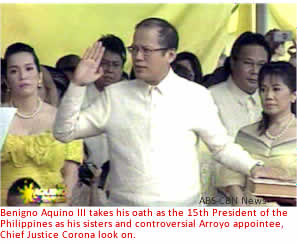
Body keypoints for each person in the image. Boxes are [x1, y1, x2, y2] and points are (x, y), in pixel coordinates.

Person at [54, 18, 279, 206]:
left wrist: (253, 167)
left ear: (170, 55)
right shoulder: (115, 96)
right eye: (135, 49)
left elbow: (221, 147)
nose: (138, 57)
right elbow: (64, 132)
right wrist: (77, 85)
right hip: (125, 212)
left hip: (181, 213)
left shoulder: (195, 95)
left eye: (147, 50)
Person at [1, 42, 83, 206]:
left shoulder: (64, 118)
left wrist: (32, 199)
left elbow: (70, 176)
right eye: (14, 71)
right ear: (6, 80)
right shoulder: (1, 118)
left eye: (29, 68)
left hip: (52, 211)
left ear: (39, 76)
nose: (22, 76)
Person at [217, 61, 296, 206]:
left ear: (293, 95)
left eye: (276, 89)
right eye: (263, 89)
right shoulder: (246, 134)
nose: (269, 96)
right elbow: (232, 180)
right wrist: (245, 214)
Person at [209, 32, 271, 203]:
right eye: (248, 63)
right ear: (233, 63)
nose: (255, 71)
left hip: (264, 197)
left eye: (261, 64)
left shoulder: (271, 100)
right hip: (218, 197)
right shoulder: (210, 98)